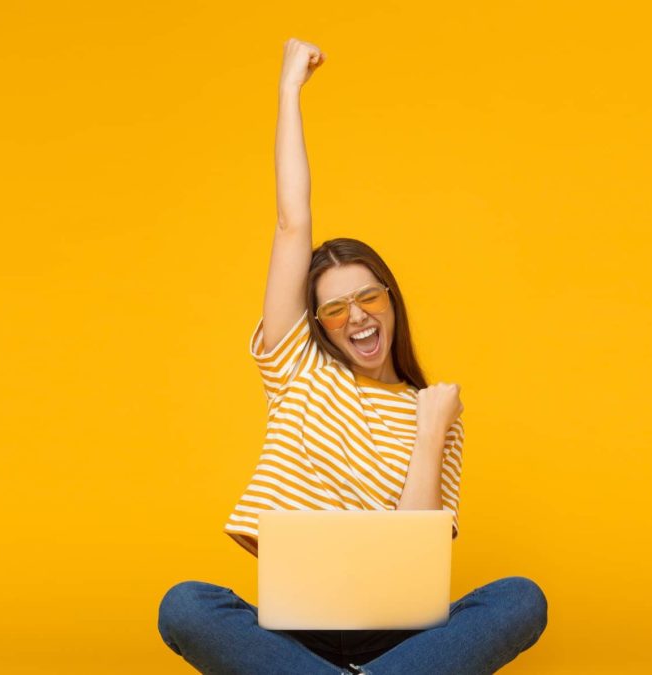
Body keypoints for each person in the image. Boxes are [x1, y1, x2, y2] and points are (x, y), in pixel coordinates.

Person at [158, 38, 548, 674]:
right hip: (293, 634)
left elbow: (412, 557)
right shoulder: (297, 368)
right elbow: (292, 222)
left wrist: (430, 429)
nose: (357, 317)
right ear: (319, 326)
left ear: (391, 301)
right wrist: (289, 90)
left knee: (521, 600)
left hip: (398, 641)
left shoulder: (435, 412)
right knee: (184, 606)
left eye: (368, 297)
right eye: (336, 309)